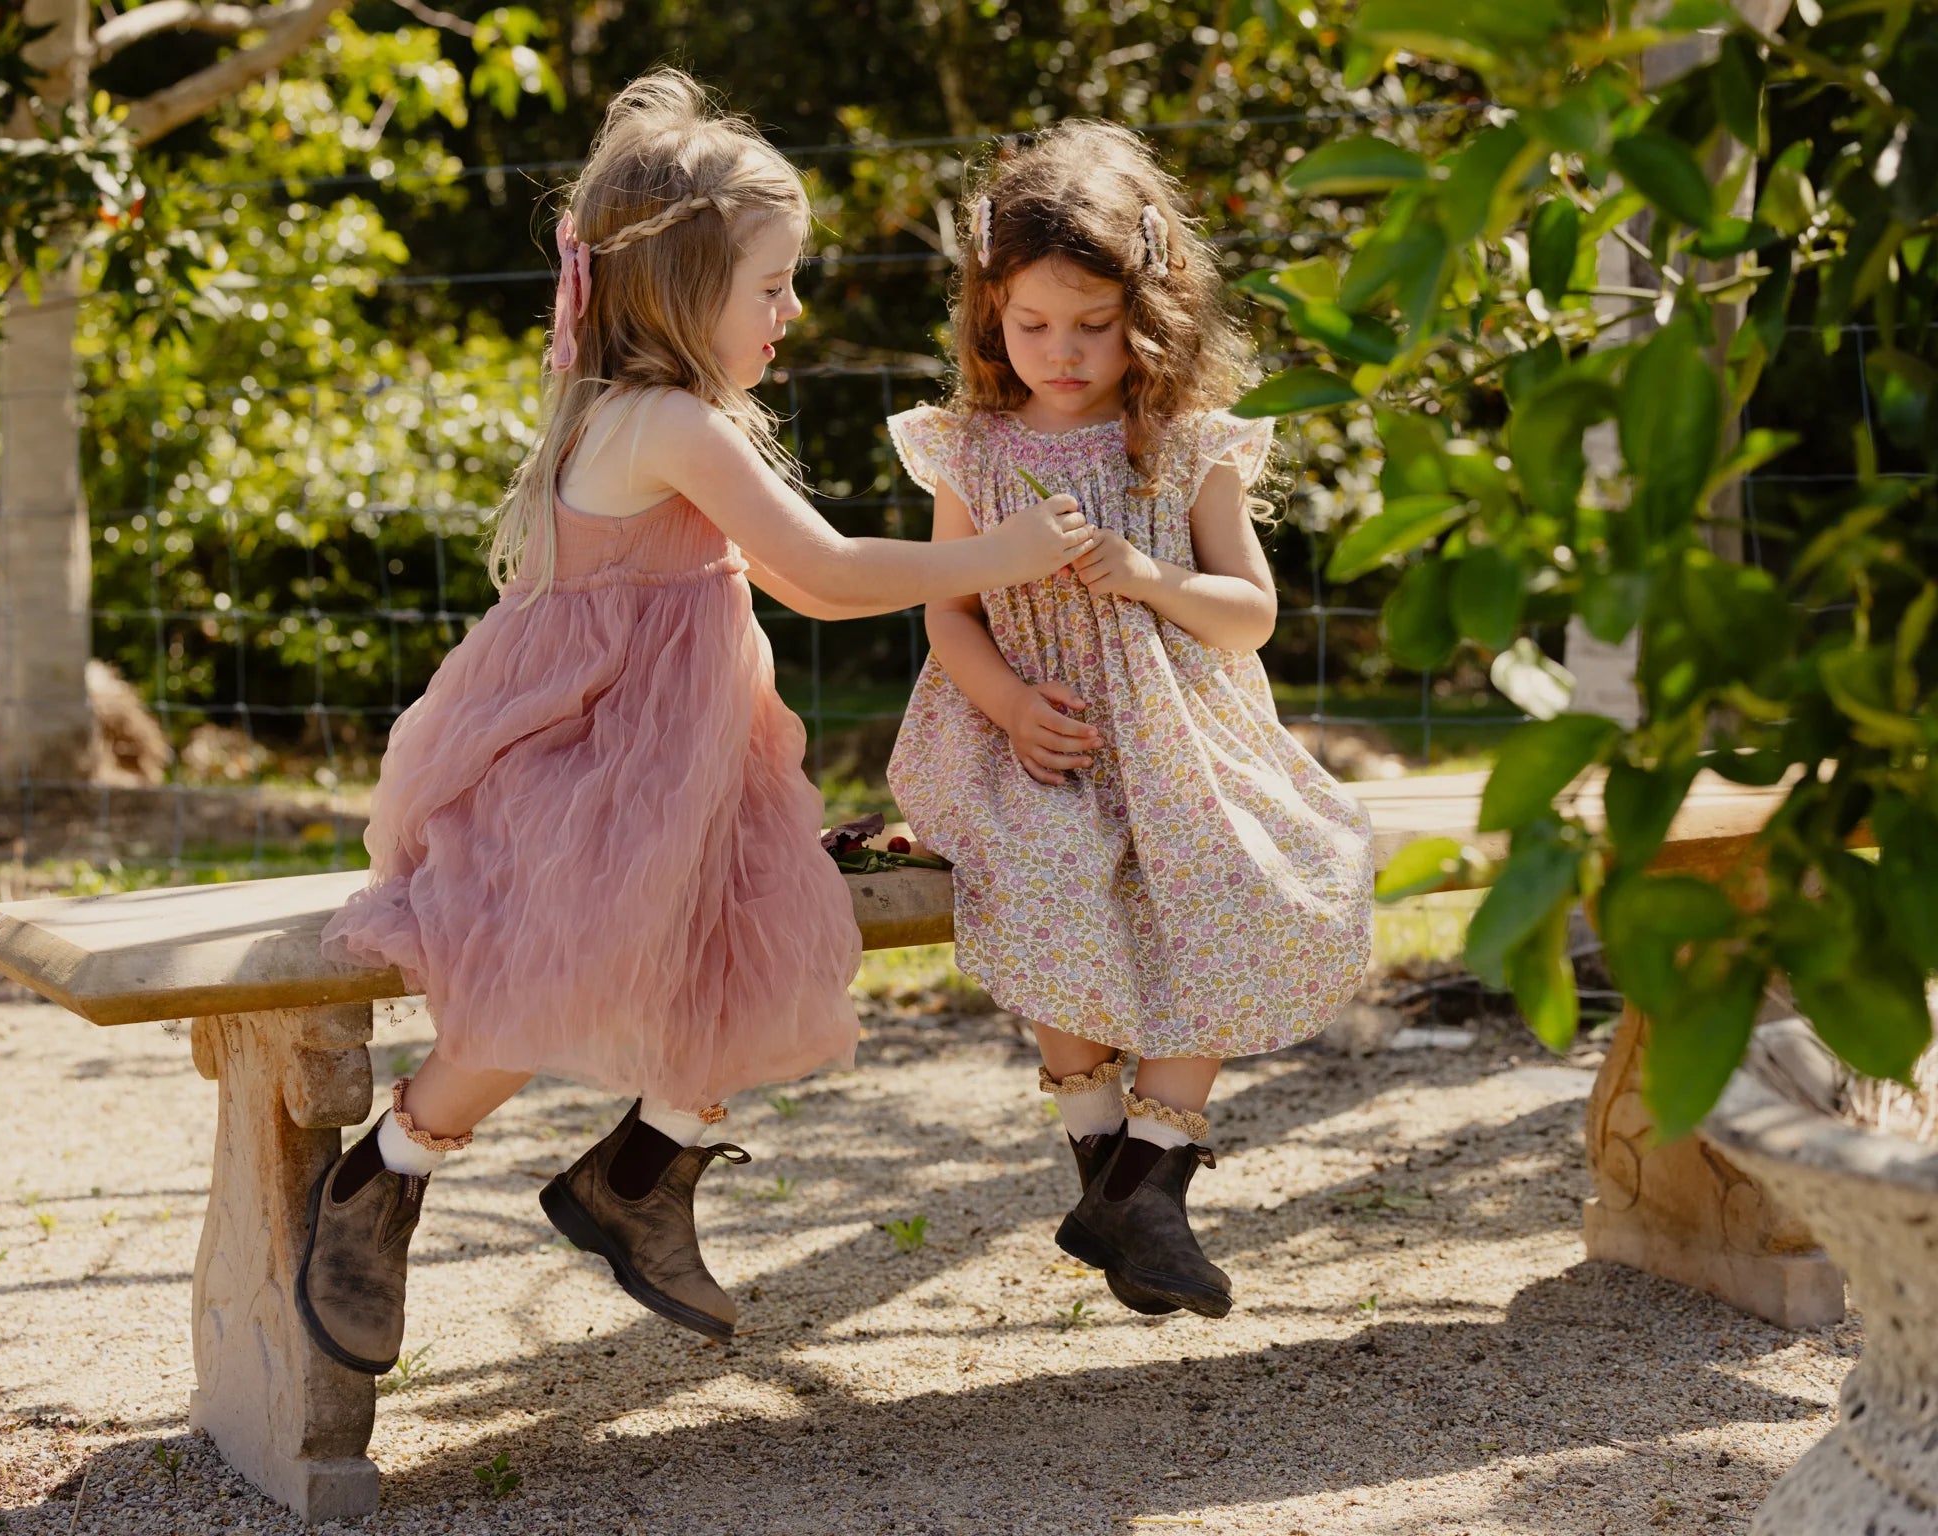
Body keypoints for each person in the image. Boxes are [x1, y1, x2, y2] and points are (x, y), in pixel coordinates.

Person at [297, 70, 1091, 1369]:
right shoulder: (660, 423)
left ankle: (638, 1174)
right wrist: (995, 556)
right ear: (680, 290)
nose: (793, 309)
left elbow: (780, 580)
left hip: (691, 764)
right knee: (555, 946)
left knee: (755, 937)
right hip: (586, 765)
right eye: (771, 286)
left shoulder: (678, 417)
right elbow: (827, 577)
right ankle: (382, 1176)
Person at [886, 122, 1374, 1318]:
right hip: (1030, 743)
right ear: (989, 311)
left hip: (1181, 741)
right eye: (1030, 325)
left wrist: (1149, 578)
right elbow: (946, 614)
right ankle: (1108, 1169)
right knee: (1045, 876)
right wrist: (1004, 704)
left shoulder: (1183, 448)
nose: (1060, 352)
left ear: (1145, 312)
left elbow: (1249, 614)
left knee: (1245, 876)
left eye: (1091, 326)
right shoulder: (973, 447)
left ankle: (1150, 1177)